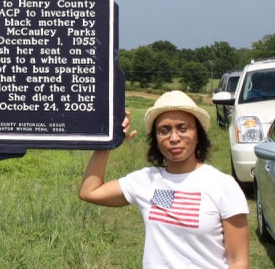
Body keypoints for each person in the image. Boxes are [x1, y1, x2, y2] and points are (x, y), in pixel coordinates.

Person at [79, 91, 249, 269]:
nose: (174, 138)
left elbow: (238, 260)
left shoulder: (223, 186)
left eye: (183, 128)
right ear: (156, 139)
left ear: (198, 135)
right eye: (164, 130)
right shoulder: (146, 180)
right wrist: (109, 141)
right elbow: (89, 192)